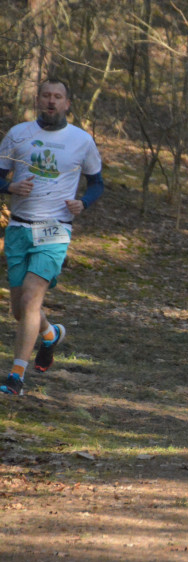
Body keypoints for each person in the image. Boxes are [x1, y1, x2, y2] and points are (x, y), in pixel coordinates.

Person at [0, 78, 103, 396]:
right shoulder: (18, 134)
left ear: (67, 103)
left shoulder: (82, 140)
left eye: (58, 96)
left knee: (32, 299)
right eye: (46, 95)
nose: (51, 101)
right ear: (38, 100)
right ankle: (49, 335)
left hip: (55, 228)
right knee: (20, 310)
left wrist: (82, 203)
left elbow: (97, 183)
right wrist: (9, 187)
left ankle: (16, 377)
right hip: (19, 226)